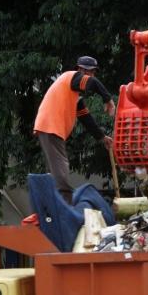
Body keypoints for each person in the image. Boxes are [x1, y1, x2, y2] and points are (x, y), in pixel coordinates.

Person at [34, 56, 116, 204]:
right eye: (87, 72)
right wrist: (108, 99)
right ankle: (65, 208)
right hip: (50, 127)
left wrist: (102, 137)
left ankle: (55, 205)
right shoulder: (71, 77)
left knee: (56, 171)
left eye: (92, 72)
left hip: (50, 129)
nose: (90, 76)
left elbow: (86, 119)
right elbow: (92, 83)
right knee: (61, 170)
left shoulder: (73, 94)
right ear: (80, 70)